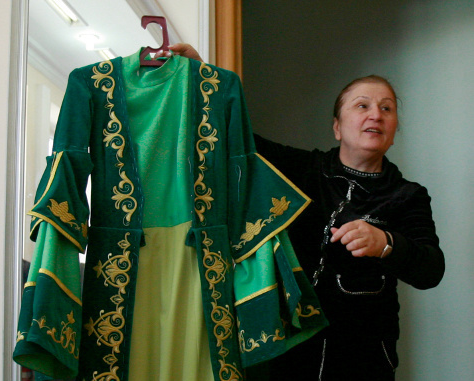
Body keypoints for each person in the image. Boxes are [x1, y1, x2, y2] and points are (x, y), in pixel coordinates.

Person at [166, 44, 445, 380]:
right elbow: (233, 138)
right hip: (293, 344)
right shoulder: (301, 169)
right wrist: (202, 78)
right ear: (338, 127)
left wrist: (386, 242)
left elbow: (431, 269)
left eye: (387, 109)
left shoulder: (408, 195)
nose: (376, 114)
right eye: (363, 106)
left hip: (366, 354)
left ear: (393, 132)